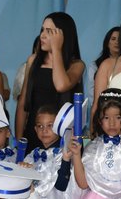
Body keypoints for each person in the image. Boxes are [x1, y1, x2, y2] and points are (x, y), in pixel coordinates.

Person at [15, 13, 84, 153]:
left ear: (63, 35)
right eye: (42, 30)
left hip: (61, 136)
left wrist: (56, 50)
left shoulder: (76, 65)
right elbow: (23, 103)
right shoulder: (33, 60)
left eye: (49, 31)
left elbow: (61, 85)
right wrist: (19, 141)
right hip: (35, 132)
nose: (42, 36)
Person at [85, 26, 120, 97]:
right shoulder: (95, 65)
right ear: (107, 43)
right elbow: (91, 92)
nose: (117, 42)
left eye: (120, 39)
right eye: (113, 39)